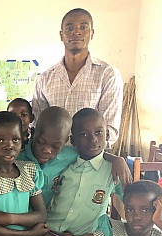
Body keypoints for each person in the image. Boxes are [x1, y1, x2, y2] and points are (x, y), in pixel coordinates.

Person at [33, 108, 123, 236]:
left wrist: (117, 159)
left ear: (107, 134)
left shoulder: (113, 171)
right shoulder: (65, 160)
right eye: (83, 134)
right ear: (72, 141)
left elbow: (128, 204)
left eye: (99, 132)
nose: (92, 140)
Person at [32, 8, 123, 146]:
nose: (76, 32)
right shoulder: (44, 79)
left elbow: (110, 130)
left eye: (83, 27)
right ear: (61, 35)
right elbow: (38, 125)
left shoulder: (107, 75)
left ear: (91, 34)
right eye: (69, 28)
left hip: (90, 162)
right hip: (53, 160)